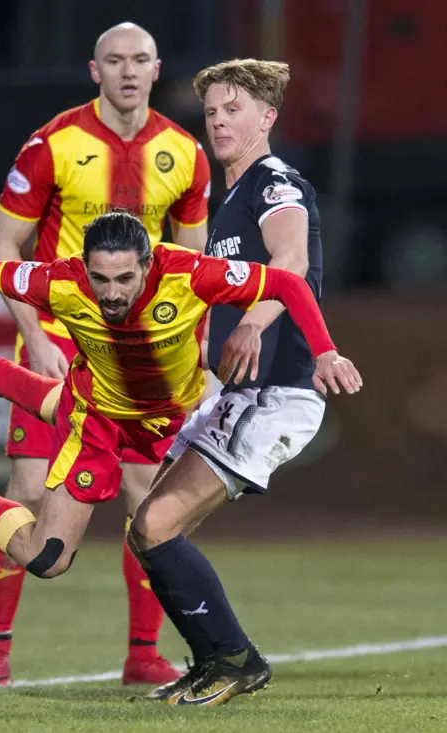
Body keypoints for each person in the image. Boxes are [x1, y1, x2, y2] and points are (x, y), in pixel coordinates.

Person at [0, 211, 361, 707]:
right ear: (85, 267)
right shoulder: (61, 282)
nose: (111, 294)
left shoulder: (192, 273)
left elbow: (288, 282)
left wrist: (325, 351)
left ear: (149, 264)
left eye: (124, 280)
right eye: (100, 279)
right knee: (48, 558)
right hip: (98, 422)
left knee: (154, 528)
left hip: (165, 422)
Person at [119, 58, 358, 705]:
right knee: (146, 527)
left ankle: (236, 659)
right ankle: (212, 660)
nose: (219, 120)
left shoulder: (273, 182)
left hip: (277, 392)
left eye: (233, 109)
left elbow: (291, 260)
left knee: (157, 524)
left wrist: (254, 323)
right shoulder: (228, 203)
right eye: (213, 111)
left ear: (267, 118)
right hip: (239, 394)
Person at [0, 21, 209, 685]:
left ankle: (143, 653)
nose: (128, 71)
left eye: (140, 60)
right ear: (94, 70)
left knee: (150, 502)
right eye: (115, 60)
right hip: (56, 343)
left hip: (140, 361)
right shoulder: (53, 143)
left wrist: (191, 361)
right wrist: (38, 333)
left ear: (157, 67)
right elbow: (2, 245)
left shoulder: (185, 152)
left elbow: (190, 268)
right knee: (26, 490)